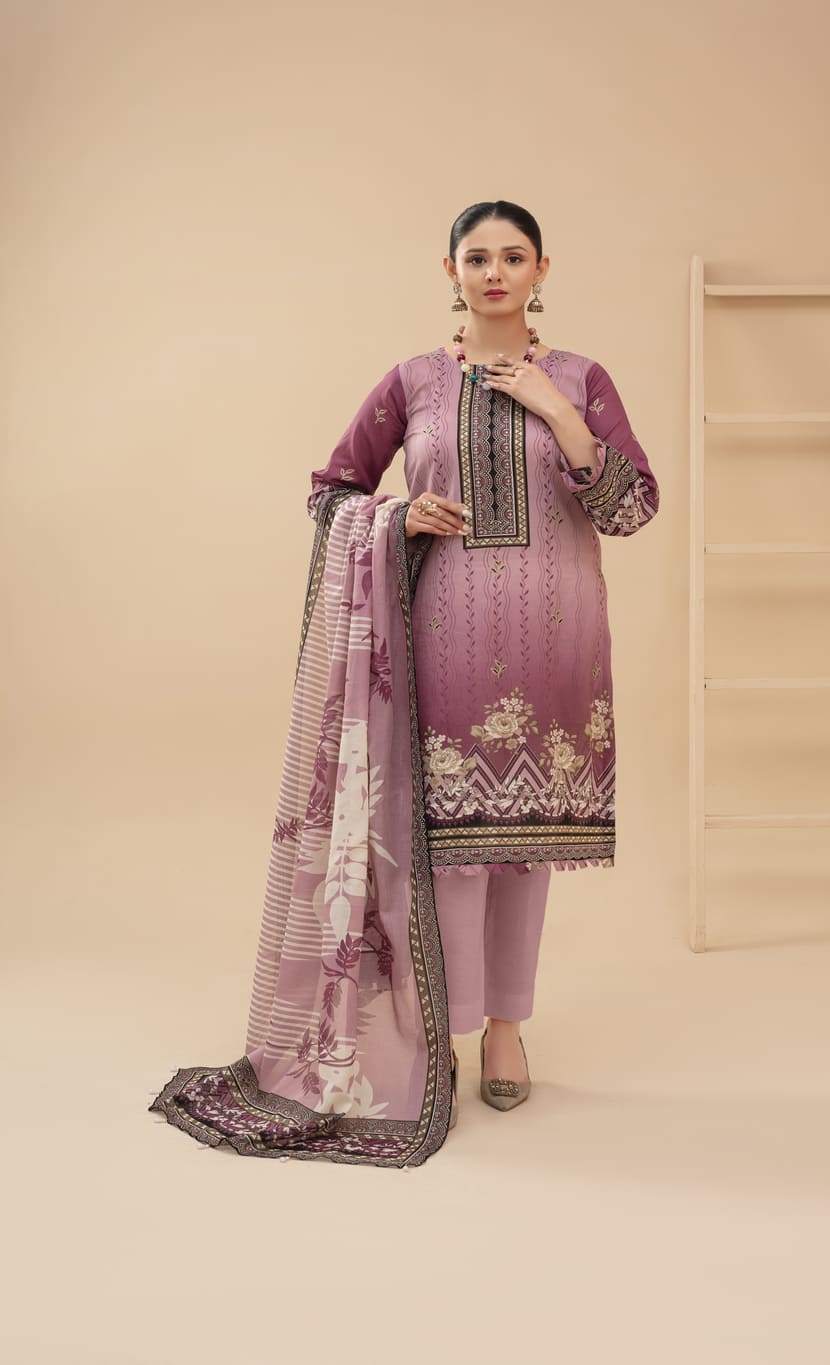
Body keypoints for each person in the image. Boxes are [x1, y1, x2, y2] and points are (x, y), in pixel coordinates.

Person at [148, 200, 659, 1167]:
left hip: (557, 648)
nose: (496, 271)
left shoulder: (582, 379)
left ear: (542, 269)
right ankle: (445, 1039)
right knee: (451, 852)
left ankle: (507, 1030)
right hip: (444, 641)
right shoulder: (414, 380)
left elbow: (631, 507)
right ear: (450, 270)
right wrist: (399, 515)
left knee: (526, 851)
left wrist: (558, 414)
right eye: (479, 256)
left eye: (514, 256)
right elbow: (332, 490)